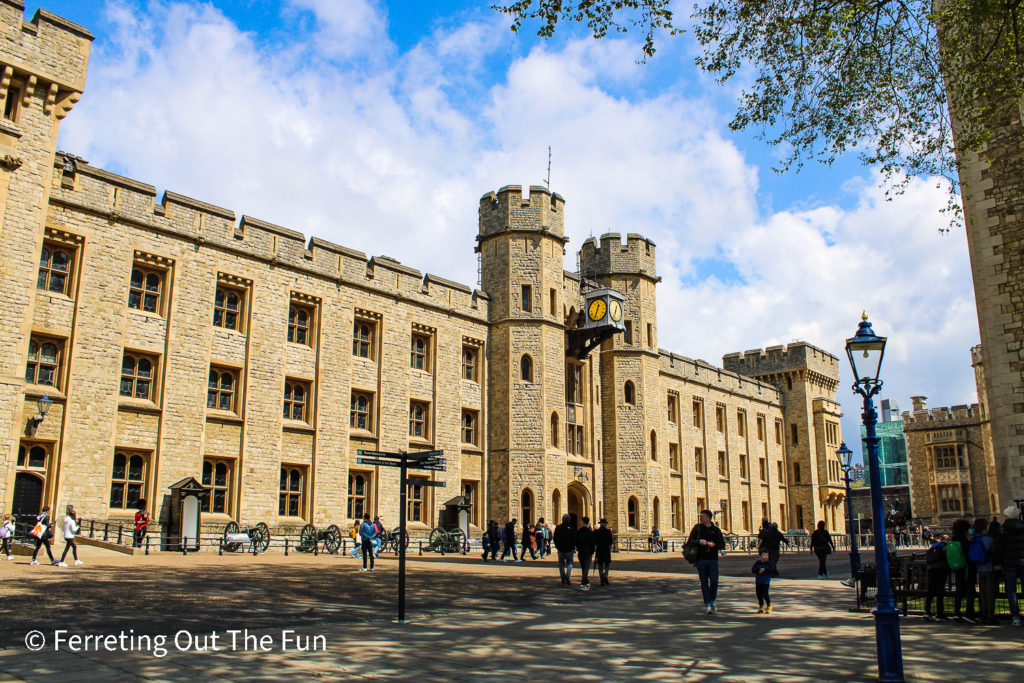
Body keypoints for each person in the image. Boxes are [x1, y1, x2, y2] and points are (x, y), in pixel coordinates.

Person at [688, 509, 726, 614]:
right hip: (701, 559)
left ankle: (712, 599)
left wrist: (714, 545)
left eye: (703, 517)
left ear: (708, 518)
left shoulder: (715, 530)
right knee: (704, 583)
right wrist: (698, 541)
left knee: (714, 581)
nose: (701, 518)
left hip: (712, 559)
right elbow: (690, 541)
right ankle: (708, 604)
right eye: (700, 516)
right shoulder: (697, 528)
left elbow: (722, 544)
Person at [998, 504, 1024, 627]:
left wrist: (998, 562)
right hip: (1022, 561)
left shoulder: (1003, 529)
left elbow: (1000, 548)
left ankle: (1016, 617)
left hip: (1009, 563)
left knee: (1012, 591)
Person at [968, 517, 997, 625]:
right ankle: (990, 616)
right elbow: (994, 551)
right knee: (990, 593)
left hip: (979, 569)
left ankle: (983, 615)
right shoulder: (987, 538)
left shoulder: (974, 538)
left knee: (983, 593)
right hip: (988, 568)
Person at [949, 518, 972, 623]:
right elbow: (968, 553)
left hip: (956, 567)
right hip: (965, 567)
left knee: (959, 590)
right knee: (969, 590)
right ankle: (968, 613)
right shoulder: (962, 539)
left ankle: (957, 612)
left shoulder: (953, 539)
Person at [924, 534, 949, 622]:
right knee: (940, 592)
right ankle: (939, 614)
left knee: (931, 591)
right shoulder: (946, 545)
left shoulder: (934, 545)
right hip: (941, 569)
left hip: (931, 568)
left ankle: (927, 611)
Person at [554, 514, 576, 586]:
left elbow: (555, 538)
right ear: (569, 520)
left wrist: (557, 546)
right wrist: (573, 547)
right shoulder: (571, 527)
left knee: (561, 564)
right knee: (570, 563)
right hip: (569, 549)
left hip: (560, 549)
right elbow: (573, 538)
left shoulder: (558, 527)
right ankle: (567, 575)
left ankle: (563, 579)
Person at [575, 516, 595, 590]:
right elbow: (593, 543)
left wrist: (578, 548)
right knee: (585, 568)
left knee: (584, 568)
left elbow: (576, 542)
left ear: (582, 522)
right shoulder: (590, 532)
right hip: (588, 552)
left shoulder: (578, 532)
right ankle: (583, 583)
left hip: (581, 552)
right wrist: (592, 551)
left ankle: (585, 582)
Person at [594, 518, 614, 585]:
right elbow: (611, 542)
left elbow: (595, 541)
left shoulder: (596, 532)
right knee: (607, 564)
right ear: (605, 524)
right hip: (606, 550)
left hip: (599, 550)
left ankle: (601, 578)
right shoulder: (608, 532)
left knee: (600, 564)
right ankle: (605, 575)